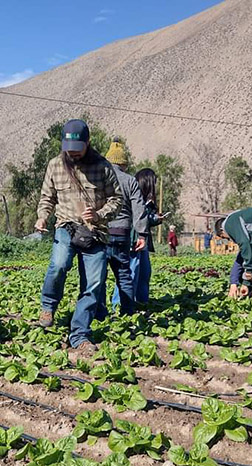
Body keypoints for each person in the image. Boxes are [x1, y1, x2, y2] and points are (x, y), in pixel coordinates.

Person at [34, 119, 122, 351]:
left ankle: (80, 334)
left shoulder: (103, 167)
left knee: (93, 284)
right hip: (66, 226)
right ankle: (48, 306)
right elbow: (47, 197)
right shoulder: (55, 165)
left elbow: (117, 199)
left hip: (95, 232)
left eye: (77, 149)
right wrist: (43, 216)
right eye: (68, 149)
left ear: (88, 143)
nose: (72, 154)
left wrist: (100, 213)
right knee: (59, 265)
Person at [91, 138, 147, 317]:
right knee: (123, 274)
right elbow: (139, 209)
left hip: (101, 233)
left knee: (99, 275)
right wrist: (142, 234)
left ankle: (100, 313)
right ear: (123, 163)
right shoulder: (130, 181)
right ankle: (128, 312)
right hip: (122, 234)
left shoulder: (98, 179)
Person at [125, 168, 164, 304]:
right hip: (134, 240)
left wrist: (156, 218)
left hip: (144, 240)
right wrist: (151, 216)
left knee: (144, 274)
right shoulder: (134, 196)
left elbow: (145, 220)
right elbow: (137, 218)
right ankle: (122, 306)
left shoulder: (148, 201)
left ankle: (141, 303)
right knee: (130, 274)